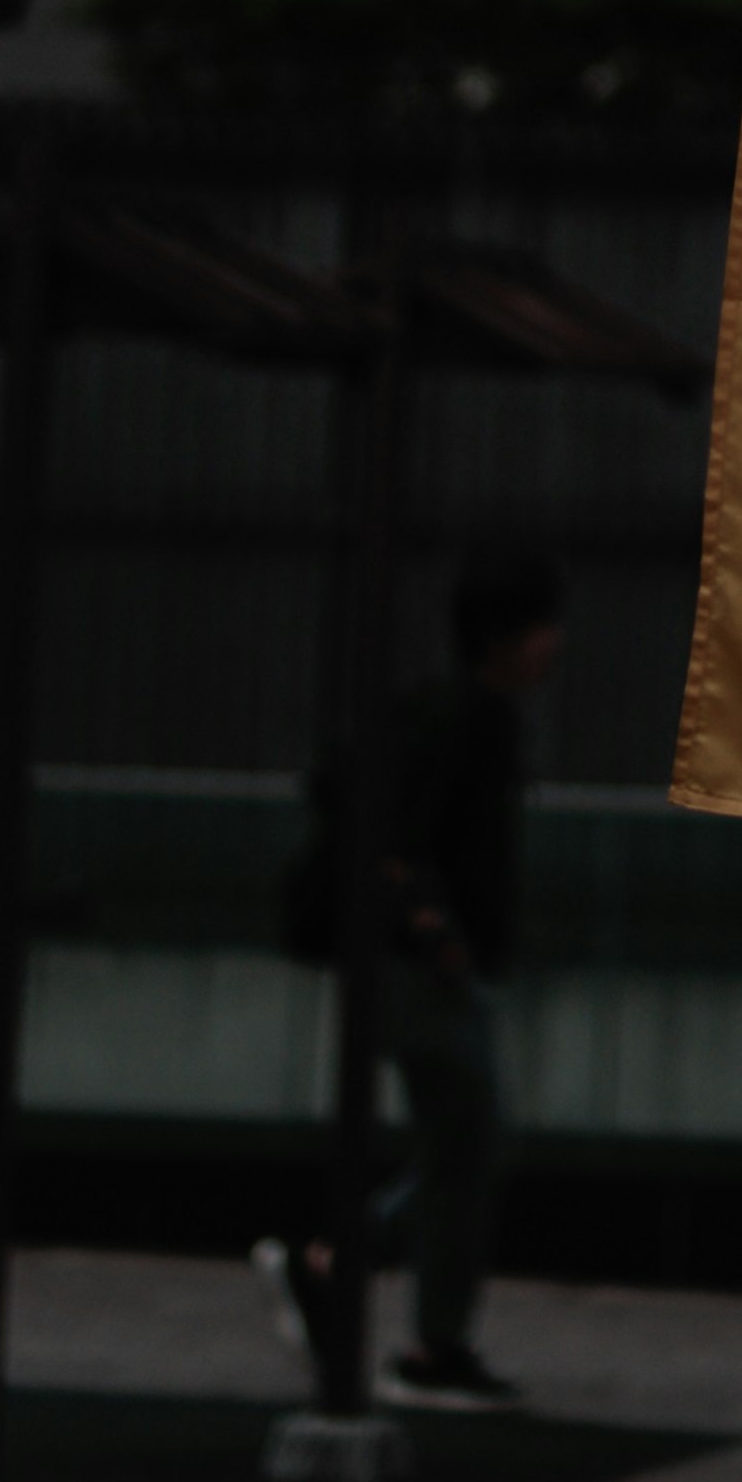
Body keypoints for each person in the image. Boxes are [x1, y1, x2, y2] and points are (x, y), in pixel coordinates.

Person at [256, 534, 566, 1411]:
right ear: (510, 634)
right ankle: (429, 1340)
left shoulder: (464, 717)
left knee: (459, 1143)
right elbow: (402, 839)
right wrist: (438, 934)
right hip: (417, 967)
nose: (555, 644)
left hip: (417, 962)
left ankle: (341, 1271)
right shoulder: (461, 722)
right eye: (544, 627)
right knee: (469, 1139)